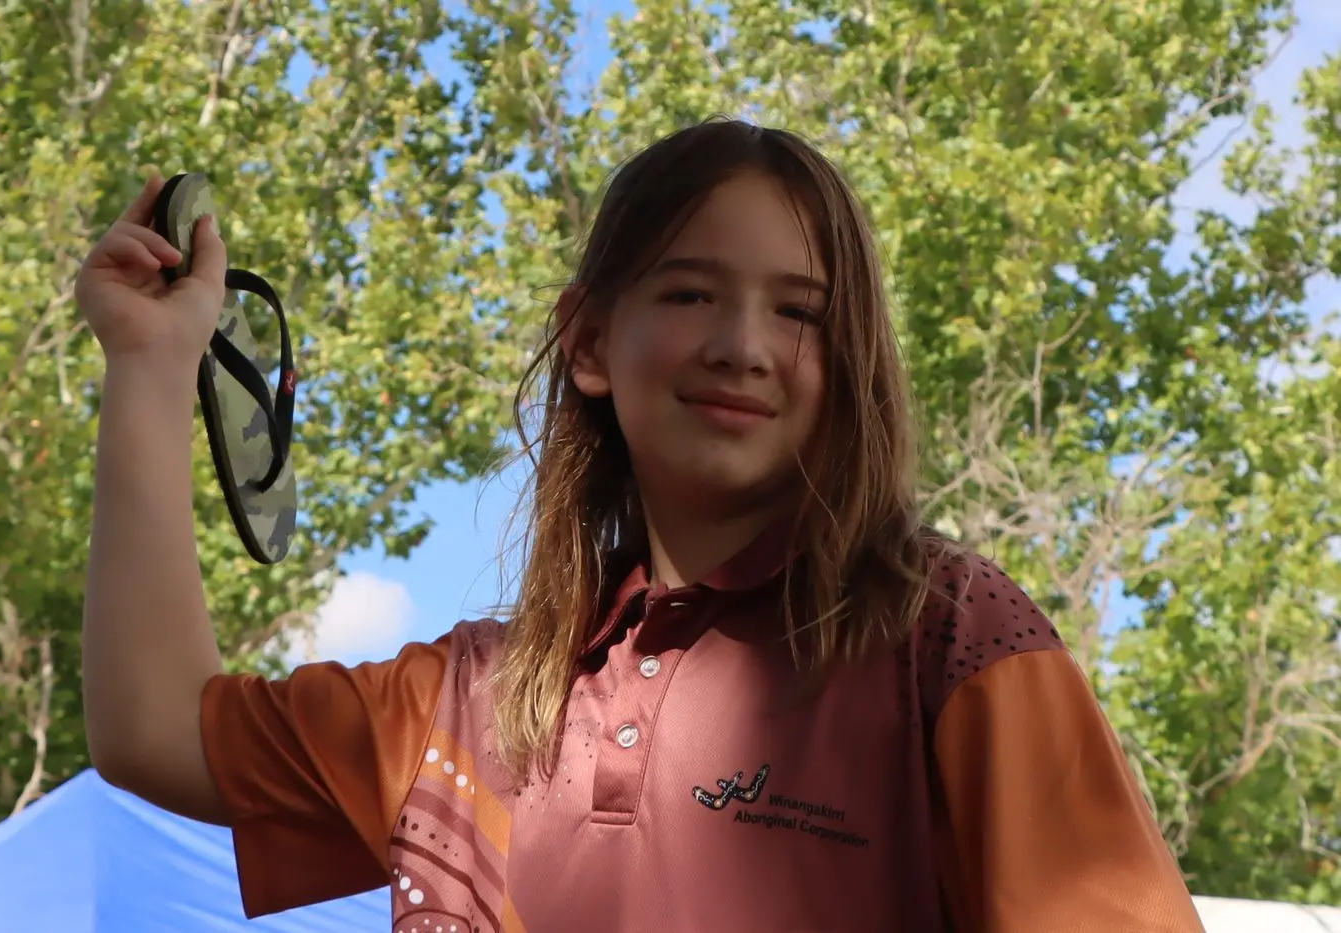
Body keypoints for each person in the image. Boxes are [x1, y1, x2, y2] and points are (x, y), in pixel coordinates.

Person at [77, 119, 1205, 932]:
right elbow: (156, 734)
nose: (741, 345)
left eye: (800, 312)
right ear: (586, 343)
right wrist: (149, 362)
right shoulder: (469, 700)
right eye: (687, 293)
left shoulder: (948, 637)